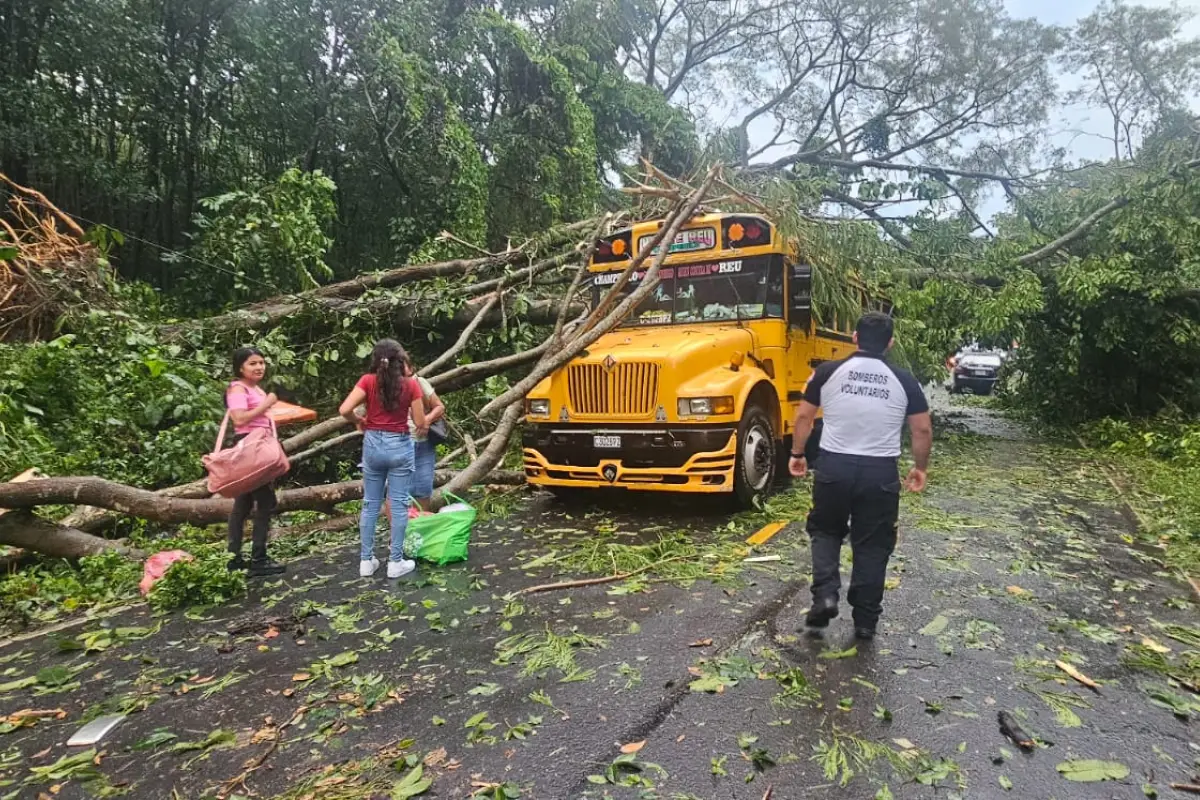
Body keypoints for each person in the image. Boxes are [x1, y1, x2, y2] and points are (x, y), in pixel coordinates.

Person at [788, 312, 933, 641]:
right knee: (873, 543)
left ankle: (825, 595)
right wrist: (920, 467)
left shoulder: (827, 372)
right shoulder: (904, 380)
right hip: (879, 473)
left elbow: (803, 418)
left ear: (854, 338)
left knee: (825, 531)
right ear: (890, 343)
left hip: (833, 468)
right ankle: (865, 619)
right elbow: (922, 428)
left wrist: (797, 454)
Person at [339, 339, 427, 578]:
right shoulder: (411, 385)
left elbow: (344, 409)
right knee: (398, 504)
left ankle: (366, 562)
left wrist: (359, 420)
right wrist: (424, 425)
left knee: (370, 503)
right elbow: (419, 423)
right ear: (400, 360)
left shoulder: (367, 381)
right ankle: (395, 562)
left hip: (373, 445)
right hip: (399, 445)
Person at [224, 347, 287, 577]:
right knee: (265, 501)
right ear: (240, 367)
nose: (259, 366)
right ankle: (258, 558)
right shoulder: (238, 388)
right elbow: (239, 417)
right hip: (250, 448)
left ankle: (234, 558)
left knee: (243, 503)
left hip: (258, 445)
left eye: (261, 362)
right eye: (252, 363)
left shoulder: (255, 388)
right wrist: (267, 403)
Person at [405, 356, 445, 512]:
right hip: (399, 446)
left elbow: (439, 407)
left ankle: (422, 528)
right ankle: (403, 530)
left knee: (423, 488)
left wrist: (427, 420)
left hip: (423, 445)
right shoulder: (386, 388)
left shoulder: (420, 383)